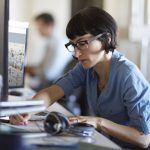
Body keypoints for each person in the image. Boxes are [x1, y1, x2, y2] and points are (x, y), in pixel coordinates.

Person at [10, 7, 150, 149]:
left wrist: (99, 122)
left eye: (82, 43)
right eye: (73, 45)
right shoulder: (86, 69)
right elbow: (52, 92)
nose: (77, 54)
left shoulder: (128, 75)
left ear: (107, 38)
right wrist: (27, 110)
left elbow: (143, 138)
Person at [26, 13, 72, 90]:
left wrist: (31, 70)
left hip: (53, 85)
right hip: (48, 83)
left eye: (39, 26)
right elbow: (43, 66)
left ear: (49, 25)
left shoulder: (58, 43)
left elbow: (49, 73)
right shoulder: (52, 42)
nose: (38, 30)